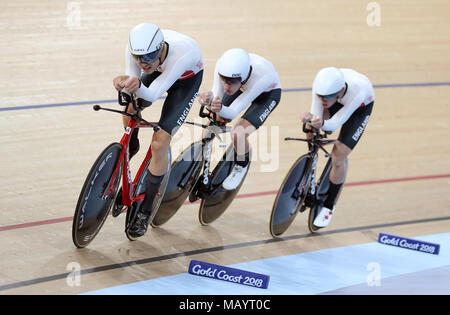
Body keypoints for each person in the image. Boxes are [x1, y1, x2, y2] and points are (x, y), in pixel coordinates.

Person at [112, 22, 204, 238]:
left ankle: (146, 209)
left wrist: (136, 83)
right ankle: (131, 147)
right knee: (129, 110)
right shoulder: (138, 52)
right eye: (139, 58)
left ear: (161, 48)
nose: (143, 63)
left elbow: (152, 94)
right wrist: (125, 82)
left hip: (185, 82)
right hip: (160, 74)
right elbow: (133, 81)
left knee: (159, 142)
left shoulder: (182, 54)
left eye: (150, 56)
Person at [198, 48, 282, 190]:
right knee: (209, 127)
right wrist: (208, 99)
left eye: (230, 82)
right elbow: (216, 93)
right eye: (223, 80)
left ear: (242, 78)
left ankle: (241, 165)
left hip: (267, 95)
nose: (226, 86)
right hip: (242, 88)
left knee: (238, 133)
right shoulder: (223, 67)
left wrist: (218, 107)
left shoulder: (262, 75)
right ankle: (197, 167)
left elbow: (232, 112)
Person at [300, 67, 374, 228]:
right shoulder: (321, 87)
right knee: (311, 128)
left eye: (327, 97)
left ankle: (329, 205)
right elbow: (316, 115)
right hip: (338, 101)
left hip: (358, 110)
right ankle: (310, 165)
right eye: (321, 97)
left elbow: (332, 126)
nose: (323, 100)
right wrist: (310, 119)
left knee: (338, 155)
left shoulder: (358, 91)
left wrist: (323, 123)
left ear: (340, 91)